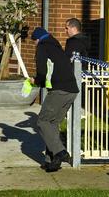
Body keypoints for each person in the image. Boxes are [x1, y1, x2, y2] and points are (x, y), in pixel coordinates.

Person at [28, 27, 79, 172]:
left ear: (38, 39)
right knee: (52, 124)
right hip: (72, 90)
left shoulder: (43, 48)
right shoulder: (56, 46)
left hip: (59, 90)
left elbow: (42, 71)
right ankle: (52, 162)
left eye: (34, 41)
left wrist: (36, 81)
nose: (35, 44)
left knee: (42, 121)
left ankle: (60, 152)